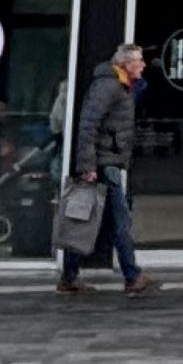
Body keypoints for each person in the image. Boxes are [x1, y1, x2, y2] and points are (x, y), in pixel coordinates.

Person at [58, 40, 158, 297]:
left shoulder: (122, 86)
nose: (144, 65)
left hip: (109, 160)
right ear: (127, 64)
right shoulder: (108, 86)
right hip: (105, 163)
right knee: (118, 220)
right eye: (139, 61)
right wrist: (87, 165)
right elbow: (88, 124)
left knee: (90, 218)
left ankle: (70, 276)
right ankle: (132, 276)